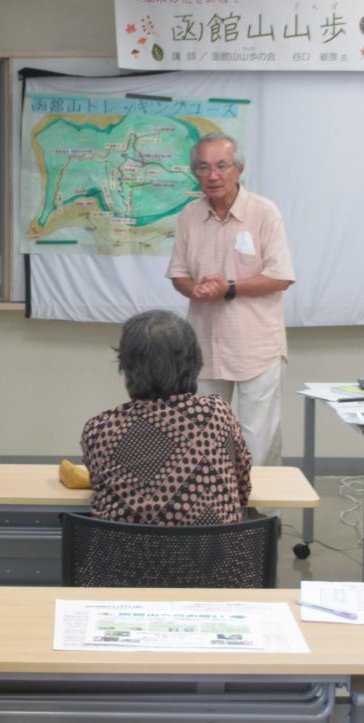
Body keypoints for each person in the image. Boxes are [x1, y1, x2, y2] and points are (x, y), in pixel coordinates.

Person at [166, 132, 295, 467]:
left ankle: (263, 519)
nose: (213, 176)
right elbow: (178, 273)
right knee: (205, 439)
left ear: (239, 169)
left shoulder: (264, 213)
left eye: (222, 166)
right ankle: (216, 516)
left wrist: (230, 288)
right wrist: (194, 289)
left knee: (258, 439)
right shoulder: (189, 216)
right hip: (204, 347)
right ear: (194, 172)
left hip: (256, 346)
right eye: (203, 167)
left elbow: (281, 277)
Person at [80, 309, 251, 526]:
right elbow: (242, 488)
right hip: (213, 558)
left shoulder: (99, 429)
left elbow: (100, 488)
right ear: (195, 365)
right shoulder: (217, 413)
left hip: (125, 558)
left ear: (127, 369)